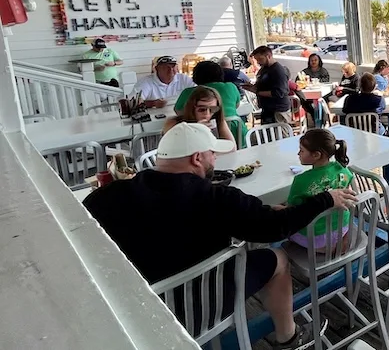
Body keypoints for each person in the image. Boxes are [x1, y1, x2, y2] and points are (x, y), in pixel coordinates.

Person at [83, 123, 358, 348]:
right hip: (206, 305)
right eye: (213, 153)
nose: (216, 159)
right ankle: (288, 336)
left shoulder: (105, 197)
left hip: (134, 310)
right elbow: (277, 228)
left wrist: (261, 210)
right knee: (278, 258)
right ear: (197, 158)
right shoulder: (217, 198)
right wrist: (325, 200)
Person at [286, 129, 354, 251]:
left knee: (283, 219)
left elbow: (291, 211)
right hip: (342, 229)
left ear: (316, 155)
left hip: (316, 240)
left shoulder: (301, 181)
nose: (298, 153)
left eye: (301, 150)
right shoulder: (342, 169)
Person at [163, 86, 238, 147]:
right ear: (192, 108)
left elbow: (232, 147)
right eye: (202, 109)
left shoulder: (217, 120)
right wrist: (196, 132)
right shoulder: (174, 124)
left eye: (213, 109)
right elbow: (175, 153)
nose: (207, 114)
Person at [174, 61, 241, 119]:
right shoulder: (231, 86)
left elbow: (178, 112)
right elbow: (237, 105)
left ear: (196, 76)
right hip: (237, 130)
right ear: (220, 73)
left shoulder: (188, 92)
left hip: (203, 130)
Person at [243, 46, 291, 124]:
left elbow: (279, 92)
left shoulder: (278, 70)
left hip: (278, 109)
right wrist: (252, 87)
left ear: (268, 56)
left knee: (280, 134)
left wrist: (258, 92)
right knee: (267, 134)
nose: (258, 62)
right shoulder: (264, 68)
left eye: (260, 59)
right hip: (267, 108)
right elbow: (262, 84)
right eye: (257, 59)